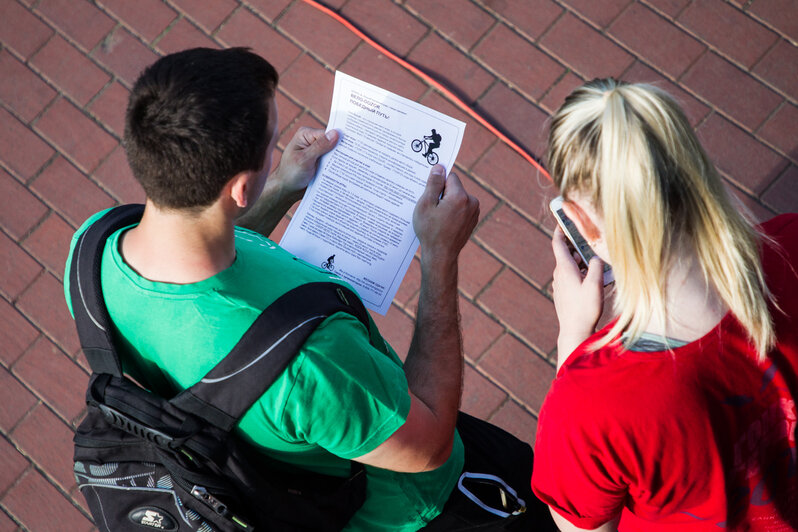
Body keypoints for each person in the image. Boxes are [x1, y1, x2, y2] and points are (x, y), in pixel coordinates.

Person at [63, 47, 554, 531]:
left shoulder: (92, 250)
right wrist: (441, 259)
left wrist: (278, 187)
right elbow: (429, 449)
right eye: (272, 143)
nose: (278, 146)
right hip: (417, 508)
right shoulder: (310, 363)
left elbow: (206, 249)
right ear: (237, 188)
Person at [531, 77, 798, 531]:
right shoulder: (790, 240)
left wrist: (573, 338)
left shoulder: (590, 406)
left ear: (577, 221)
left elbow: (581, 526)